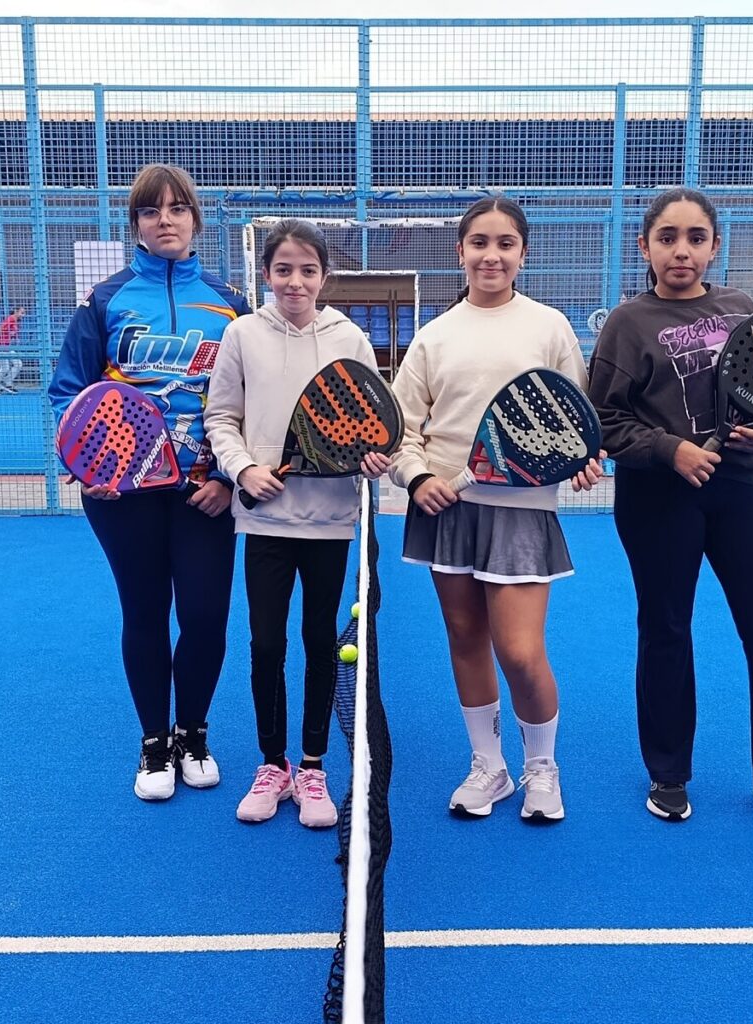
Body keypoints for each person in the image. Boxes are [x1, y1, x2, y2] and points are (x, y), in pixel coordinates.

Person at [587, 186, 753, 833]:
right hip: (658, 498)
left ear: (714, 245)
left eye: (696, 237)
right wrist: (670, 449)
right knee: (667, 630)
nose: (682, 251)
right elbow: (602, 419)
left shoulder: (740, 308)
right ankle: (669, 774)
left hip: (740, 489)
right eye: (668, 237)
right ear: (644, 245)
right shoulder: (627, 323)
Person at [387, 196, 602, 823]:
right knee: (466, 639)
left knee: (520, 651)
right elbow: (400, 430)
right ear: (460, 251)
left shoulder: (549, 326)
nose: (492, 254)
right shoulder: (434, 336)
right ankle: (490, 767)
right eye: (479, 242)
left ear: (522, 254)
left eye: (505, 243)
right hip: (446, 510)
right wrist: (417, 476)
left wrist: (586, 460)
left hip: (521, 514)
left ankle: (543, 768)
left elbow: (576, 419)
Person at [48, 164, 250, 802]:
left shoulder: (231, 305)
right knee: (144, 613)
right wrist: (93, 466)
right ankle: (154, 742)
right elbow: (67, 394)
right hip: (122, 495)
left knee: (205, 617)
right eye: (150, 211)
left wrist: (225, 476)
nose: (165, 219)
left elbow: (250, 400)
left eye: (177, 208)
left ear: (195, 219)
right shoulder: (104, 301)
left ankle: (194, 732)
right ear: (134, 223)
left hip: (204, 492)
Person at [204, 219, 390, 828]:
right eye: (283, 269)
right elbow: (221, 418)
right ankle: (272, 764)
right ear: (266, 274)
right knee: (264, 644)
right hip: (262, 522)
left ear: (324, 276)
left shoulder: (351, 339)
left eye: (308, 270)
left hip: (330, 524)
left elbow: (370, 425)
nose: (295, 280)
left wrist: (371, 457)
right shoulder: (242, 336)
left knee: (318, 644)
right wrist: (242, 471)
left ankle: (312, 767)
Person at [0, 306, 26, 395]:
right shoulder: (11, 319)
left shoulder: (16, 321)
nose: (23, 315)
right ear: (16, 311)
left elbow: (11, 332)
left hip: (7, 346)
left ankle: (7, 382)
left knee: (18, 364)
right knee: (5, 367)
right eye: (22, 313)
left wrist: (15, 338)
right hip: (1, 346)